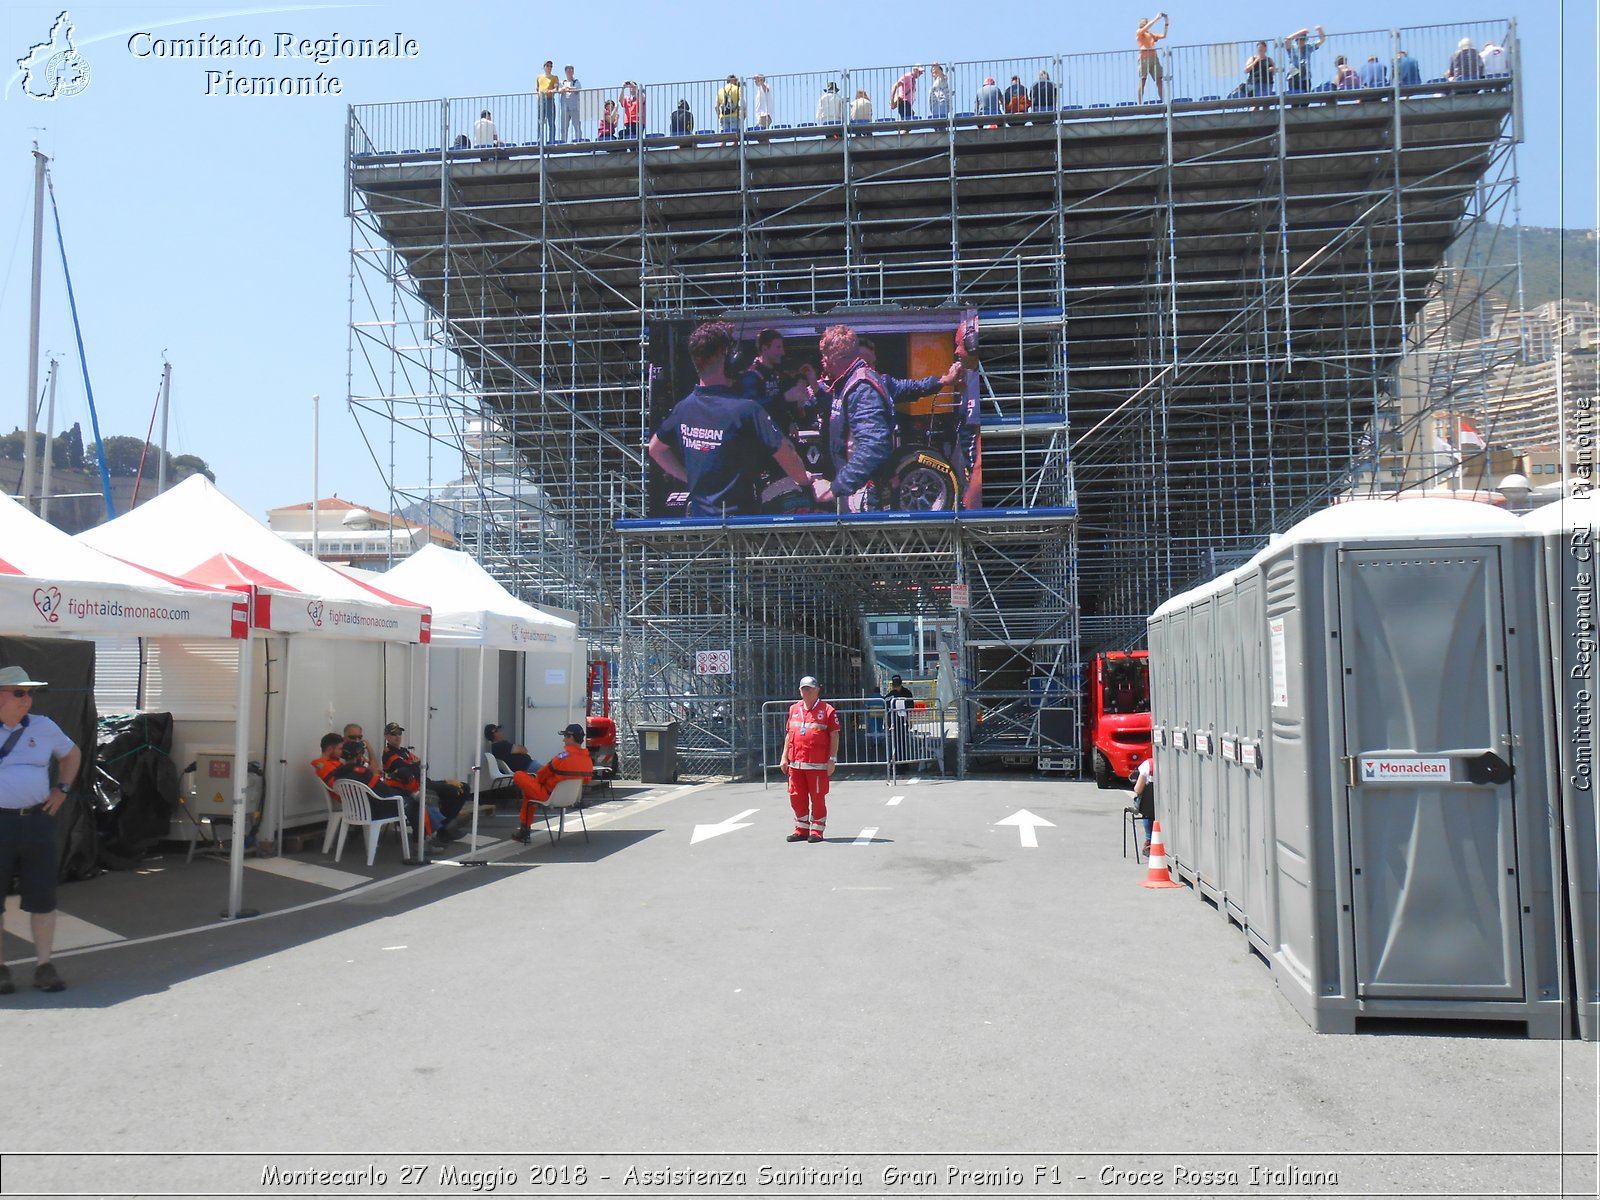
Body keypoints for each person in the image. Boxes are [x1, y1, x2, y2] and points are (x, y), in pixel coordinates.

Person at [649, 321, 825, 517]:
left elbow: (655, 449)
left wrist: (691, 480)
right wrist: (805, 481)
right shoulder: (746, 409)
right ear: (727, 359)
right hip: (741, 525)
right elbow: (786, 455)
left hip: (701, 523)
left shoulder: (683, 409)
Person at [0, 666, 82, 993]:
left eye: (30, 692)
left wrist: (62, 790)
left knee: (43, 897)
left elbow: (72, 755)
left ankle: (44, 966)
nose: (27, 699)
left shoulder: (44, 727)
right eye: (19, 692)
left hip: (35, 822)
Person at [329, 738, 451, 852]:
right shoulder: (362, 773)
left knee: (409, 797)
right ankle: (422, 844)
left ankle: (428, 835)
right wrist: (406, 793)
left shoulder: (339, 773)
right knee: (415, 804)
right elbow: (385, 792)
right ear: (359, 755)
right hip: (376, 810)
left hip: (357, 810)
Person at [779, 676, 839, 843]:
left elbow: (834, 735)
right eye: (804, 689)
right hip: (796, 764)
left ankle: (817, 830)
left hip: (817, 765)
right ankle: (801, 828)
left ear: (817, 690)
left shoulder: (827, 710)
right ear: (800, 691)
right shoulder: (794, 709)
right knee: (796, 796)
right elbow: (789, 734)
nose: (807, 692)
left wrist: (832, 759)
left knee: (817, 798)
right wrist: (784, 757)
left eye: (810, 689)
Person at [380, 722, 468, 837]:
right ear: (386, 737)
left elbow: (425, 765)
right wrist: (416, 764)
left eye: (399, 733)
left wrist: (416, 765)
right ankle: (445, 827)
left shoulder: (404, 751)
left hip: (424, 781)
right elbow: (407, 770)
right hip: (413, 787)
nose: (398, 736)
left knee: (464, 787)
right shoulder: (388, 753)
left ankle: (446, 823)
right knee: (452, 791)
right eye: (393, 734)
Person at [510, 723, 594, 843]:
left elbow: (542, 775)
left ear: (571, 737)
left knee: (519, 775)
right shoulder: (587, 760)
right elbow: (587, 780)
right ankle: (524, 829)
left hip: (549, 796)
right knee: (530, 793)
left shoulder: (562, 757)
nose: (563, 739)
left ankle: (525, 829)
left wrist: (537, 783)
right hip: (573, 799)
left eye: (565, 736)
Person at [740, 328, 819, 428]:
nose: (783, 352)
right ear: (764, 348)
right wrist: (784, 398)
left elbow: (782, 407)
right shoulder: (752, 376)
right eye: (778, 347)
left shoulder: (776, 375)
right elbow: (751, 408)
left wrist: (790, 422)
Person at [1136, 13, 1169, 102]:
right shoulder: (1139, 32)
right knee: (1143, 79)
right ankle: (1140, 102)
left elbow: (1164, 35)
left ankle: (1163, 100)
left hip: (1154, 58)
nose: (1144, 23)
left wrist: (1166, 22)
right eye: (1143, 22)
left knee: (1159, 79)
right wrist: (1156, 18)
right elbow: (1146, 28)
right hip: (1144, 58)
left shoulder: (1151, 35)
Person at [1283, 25, 1325, 93]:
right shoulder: (1292, 48)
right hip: (1294, 77)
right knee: (1295, 100)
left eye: (1303, 39)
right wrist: (1301, 32)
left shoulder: (1309, 47)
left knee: (1306, 100)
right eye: (1300, 39)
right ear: (1296, 40)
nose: (1301, 41)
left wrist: (1320, 30)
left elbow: (1321, 40)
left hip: (1306, 77)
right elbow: (1287, 40)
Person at [883, 674, 914, 764]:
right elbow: (887, 707)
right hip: (893, 722)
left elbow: (910, 706)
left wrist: (909, 719)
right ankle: (896, 763)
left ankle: (903, 763)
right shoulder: (891, 695)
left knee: (902, 742)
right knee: (894, 743)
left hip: (903, 721)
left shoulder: (906, 693)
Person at [1132, 756, 1155, 855]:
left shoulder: (1148, 765)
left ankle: (1149, 840)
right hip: (1166, 808)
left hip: (1149, 808)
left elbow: (1138, 789)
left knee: (1147, 807)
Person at [559, 65, 584, 142]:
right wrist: (563, 89)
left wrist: (568, 89)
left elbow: (578, 89)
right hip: (564, 107)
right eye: (568, 70)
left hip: (574, 107)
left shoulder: (576, 81)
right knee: (564, 126)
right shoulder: (562, 82)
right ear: (565, 72)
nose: (569, 72)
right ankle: (563, 141)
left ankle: (578, 139)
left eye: (571, 70)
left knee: (576, 125)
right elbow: (559, 90)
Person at [536, 60, 559, 142]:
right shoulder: (539, 77)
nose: (549, 67)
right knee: (540, 120)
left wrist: (550, 91)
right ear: (544, 67)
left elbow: (556, 88)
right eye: (548, 66)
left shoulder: (554, 77)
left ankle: (551, 139)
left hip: (549, 99)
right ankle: (540, 139)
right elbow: (537, 88)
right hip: (541, 99)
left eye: (551, 66)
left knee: (551, 120)